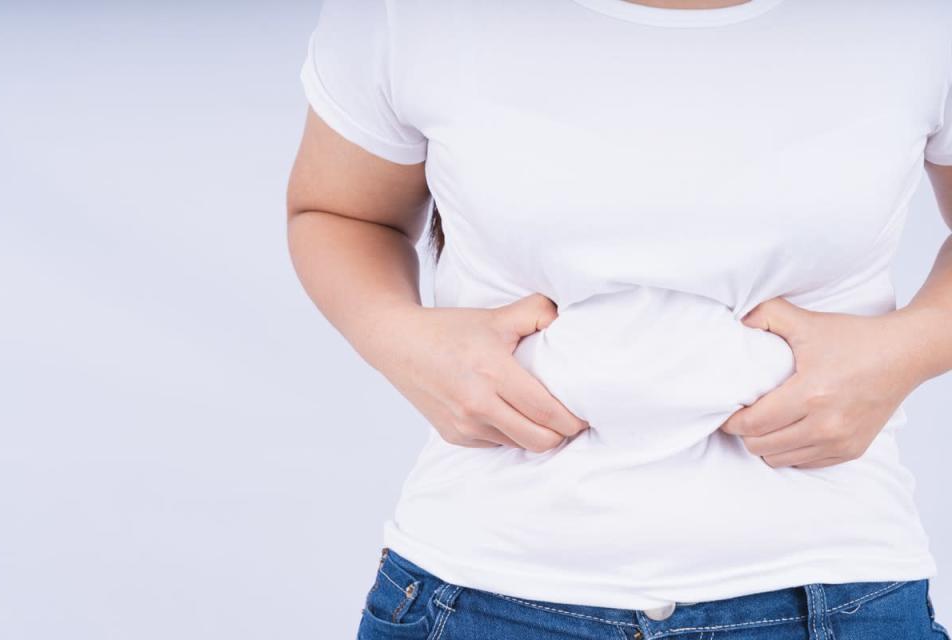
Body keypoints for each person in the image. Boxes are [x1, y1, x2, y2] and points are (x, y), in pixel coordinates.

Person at [285, 0, 952, 637]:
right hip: (480, 588)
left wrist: (909, 351)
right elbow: (338, 210)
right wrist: (402, 340)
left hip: (836, 586)